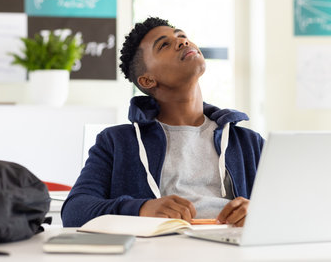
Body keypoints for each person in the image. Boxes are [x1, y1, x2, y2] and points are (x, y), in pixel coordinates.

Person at [61, 17, 264, 227]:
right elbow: (75, 211)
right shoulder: (116, 142)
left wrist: (259, 211)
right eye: (164, 45)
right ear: (148, 80)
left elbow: (292, 207)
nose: (183, 42)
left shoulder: (248, 142)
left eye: (182, 36)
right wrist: (141, 209)